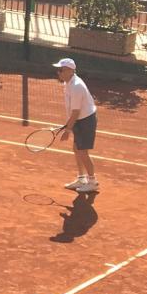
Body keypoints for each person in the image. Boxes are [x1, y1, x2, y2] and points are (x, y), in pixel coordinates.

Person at [52, 58, 99, 193]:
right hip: (79, 119)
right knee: (76, 148)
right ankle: (81, 178)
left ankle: (92, 181)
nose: (58, 73)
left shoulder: (76, 86)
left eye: (60, 70)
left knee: (83, 152)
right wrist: (69, 124)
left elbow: (76, 111)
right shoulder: (69, 83)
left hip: (86, 120)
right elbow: (73, 111)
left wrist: (68, 130)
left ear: (69, 71)